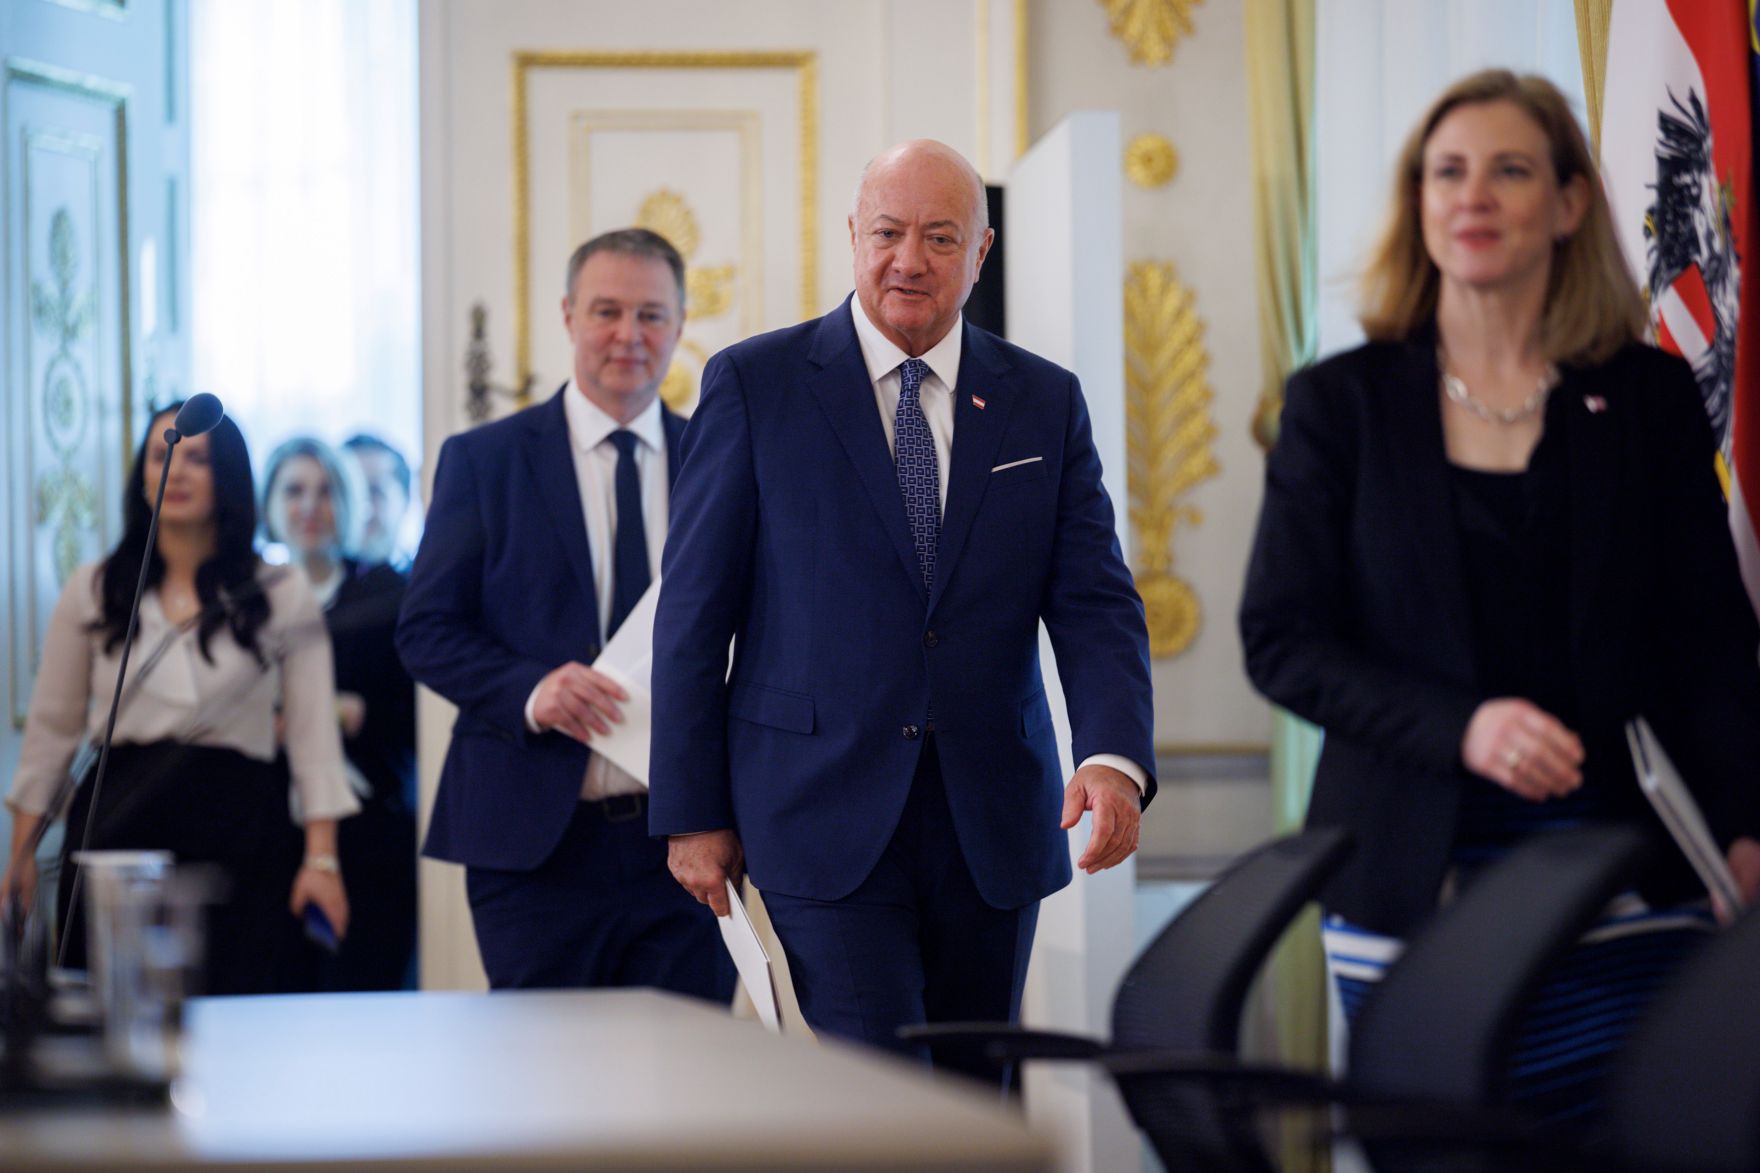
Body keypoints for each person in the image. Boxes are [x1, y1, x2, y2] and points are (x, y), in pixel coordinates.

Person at [1239, 70, 1760, 1125]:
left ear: (1567, 204)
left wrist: (1745, 823)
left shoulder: (1649, 398)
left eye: (1508, 170)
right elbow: (1281, 639)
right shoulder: (1339, 405)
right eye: (1447, 172)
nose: (1470, 195)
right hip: (1410, 877)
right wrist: (1460, 727)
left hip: (1625, 874)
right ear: (1418, 205)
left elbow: (1709, 641)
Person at [650, 140, 1156, 1079]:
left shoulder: (1043, 402)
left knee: (975, 1105)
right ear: (852, 236)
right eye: (886, 233)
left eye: (939, 236)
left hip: (991, 825)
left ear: (981, 251)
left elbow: (1094, 598)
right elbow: (692, 616)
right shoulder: (755, 386)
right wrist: (690, 810)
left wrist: (1114, 756)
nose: (907, 259)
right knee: (879, 1106)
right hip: (815, 818)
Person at [398, 228, 732, 999]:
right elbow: (425, 629)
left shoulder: (721, 461)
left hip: (686, 844)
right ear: (567, 316)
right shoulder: (484, 460)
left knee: (684, 1093)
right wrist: (530, 689)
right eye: (606, 311)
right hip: (531, 847)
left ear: (681, 325)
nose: (628, 335)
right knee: (544, 1092)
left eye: (651, 315)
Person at [2, 405, 357, 995]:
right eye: (163, 455)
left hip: (240, 823)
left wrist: (322, 863)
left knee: (239, 1013)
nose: (178, 470)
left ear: (230, 474)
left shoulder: (278, 589)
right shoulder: (94, 588)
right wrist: (20, 858)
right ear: (143, 474)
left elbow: (315, 739)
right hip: (118, 825)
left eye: (198, 457)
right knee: (109, 1017)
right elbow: (50, 736)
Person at [262, 436, 417, 990]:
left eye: (326, 490)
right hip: (268, 829)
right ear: (269, 503)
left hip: (369, 829)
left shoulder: (389, 595)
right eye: (294, 490)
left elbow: (419, 716)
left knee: (357, 991)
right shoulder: (247, 597)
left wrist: (356, 713)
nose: (309, 506)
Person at [342, 433, 414, 568]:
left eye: (374, 492)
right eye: (350, 493)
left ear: (406, 500)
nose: (362, 508)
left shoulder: (427, 583)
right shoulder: (303, 583)